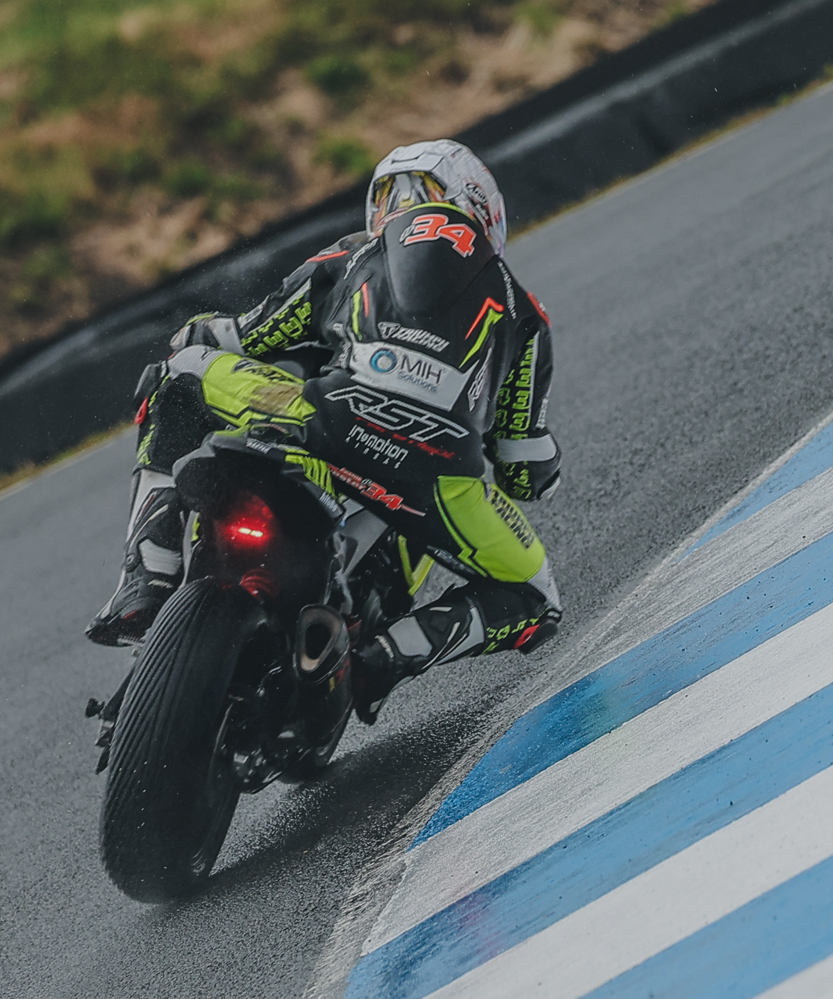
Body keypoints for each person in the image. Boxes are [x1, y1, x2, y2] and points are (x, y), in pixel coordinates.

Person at [86, 139, 564, 720]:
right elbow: (522, 468)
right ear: (485, 211)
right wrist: (537, 463)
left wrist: (195, 332)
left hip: (325, 419)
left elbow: (246, 335)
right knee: (536, 600)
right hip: (435, 474)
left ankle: (148, 573)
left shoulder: (352, 255)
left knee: (178, 380)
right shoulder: (523, 310)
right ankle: (382, 657)